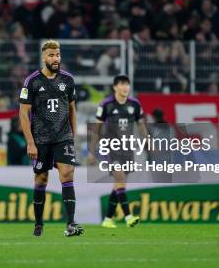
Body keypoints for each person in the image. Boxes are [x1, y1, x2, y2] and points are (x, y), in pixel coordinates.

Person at [19, 39, 83, 237]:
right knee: (41, 179)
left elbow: (72, 109)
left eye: (58, 55)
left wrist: (73, 136)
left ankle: (71, 223)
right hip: (41, 139)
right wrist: (30, 142)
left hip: (63, 137)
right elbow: (23, 113)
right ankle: (38, 224)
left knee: (67, 174)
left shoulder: (68, 80)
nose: (55, 59)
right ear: (43, 57)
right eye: (51, 55)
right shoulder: (32, 81)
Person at [89, 75, 148, 228]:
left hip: (127, 148)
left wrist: (148, 141)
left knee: (119, 185)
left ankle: (107, 219)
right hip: (112, 147)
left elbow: (141, 125)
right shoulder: (106, 104)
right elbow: (97, 128)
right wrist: (92, 151)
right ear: (115, 87)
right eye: (122, 84)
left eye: (127, 84)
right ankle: (128, 217)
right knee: (120, 178)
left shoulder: (135, 104)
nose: (125, 87)